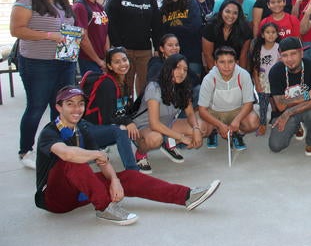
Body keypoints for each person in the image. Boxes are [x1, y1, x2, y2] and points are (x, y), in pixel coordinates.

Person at [34, 85, 220, 225]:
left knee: (130, 176)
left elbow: (102, 160)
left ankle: (186, 196)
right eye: (70, 104)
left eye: (80, 104)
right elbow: (67, 154)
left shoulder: (81, 129)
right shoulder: (49, 132)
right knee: (73, 161)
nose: (76, 109)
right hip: (54, 198)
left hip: (80, 193)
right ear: (58, 108)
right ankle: (105, 208)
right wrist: (97, 154)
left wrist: (114, 180)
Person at [10, 0, 78, 169]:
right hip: (37, 64)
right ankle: (26, 151)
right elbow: (16, 30)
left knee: (60, 109)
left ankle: (57, 146)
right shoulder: (27, 0)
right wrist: (48, 36)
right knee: (36, 107)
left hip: (64, 63)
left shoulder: (62, 2)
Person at [134, 54, 203, 174]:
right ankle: (140, 153)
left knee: (202, 128)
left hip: (167, 125)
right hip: (144, 127)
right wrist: (181, 138)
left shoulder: (183, 87)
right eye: (177, 67)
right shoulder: (155, 87)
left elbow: (190, 113)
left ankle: (168, 143)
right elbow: (154, 124)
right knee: (155, 139)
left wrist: (196, 129)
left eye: (185, 69)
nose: (181, 72)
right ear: (168, 68)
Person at [105, 0, 162, 98]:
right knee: (125, 83)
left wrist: (158, 47)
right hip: (124, 50)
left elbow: (156, 25)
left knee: (145, 84)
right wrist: (118, 46)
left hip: (145, 50)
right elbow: (110, 22)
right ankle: (125, 111)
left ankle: (140, 111)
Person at [80, 47, 140, 171]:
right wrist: (127, 122)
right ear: (110, 66)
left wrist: (129, 121)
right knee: (122, 130)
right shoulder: (108, 84)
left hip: (99, 126)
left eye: (124, 60)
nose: (122, 64)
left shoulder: (125, 81)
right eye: (117, 62)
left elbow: (125, 111)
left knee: (131, 126)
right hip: (87, 130)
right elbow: (107, 118)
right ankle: (133, 172)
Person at [268, 37, 311, 156]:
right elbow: (281, 106)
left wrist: (289, 112)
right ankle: (297, 126)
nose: (289, 59)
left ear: (302, 52)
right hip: (287, 111)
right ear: (280, 56)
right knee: (276, 146)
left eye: (293, 54)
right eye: (285, 55)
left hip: (307, 110)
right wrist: (307, 95)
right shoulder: (275, 72)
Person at [197, 46, 260, 150]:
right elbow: (202, 110)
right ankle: (214, 130)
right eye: (222, 62)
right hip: (214, 112)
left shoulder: (244, 75)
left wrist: (237, 120)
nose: (227, 66)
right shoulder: (209, 79)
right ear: (215, 63)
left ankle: (237, 133)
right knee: (200, 128)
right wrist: (220, 125)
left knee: (253, 122)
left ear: (236, 62)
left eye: (230, 62)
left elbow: (249, 103)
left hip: (236, 111)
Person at [161, 0, 202, 77]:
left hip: (191, 54)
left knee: (194, 86)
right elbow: (160, 32)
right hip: (170, 55)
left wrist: (171, 30)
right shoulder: (163, 8)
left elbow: (195, 27)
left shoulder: (192, 4)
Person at [73, 0, 110, 75]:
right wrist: (98, 61)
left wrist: (107, 58)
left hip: (102, 60)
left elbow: (105, 34)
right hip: (88, 60)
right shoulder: (80, 7)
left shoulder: (99, 7)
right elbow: (83, 38)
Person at [202, 0, 253, 71]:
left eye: (235, 13)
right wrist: (216, 76)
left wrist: (241, 76)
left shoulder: (245, 29)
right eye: (227, 11)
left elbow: (243, 56)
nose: (231, 16)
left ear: (239, 15)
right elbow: (208, 55)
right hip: (214, 66)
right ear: (221, 11)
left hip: (235, 67)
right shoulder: (211, 27)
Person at [249, 23, 280, 135]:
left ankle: (280, 119)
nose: (270, 35)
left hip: (276, 80)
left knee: (279, 102)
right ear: (262, 35)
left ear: (277, 34)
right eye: (267, 32)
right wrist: (257, 83)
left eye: (273, 32)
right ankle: (262, 124)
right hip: (263, 80)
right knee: (263, 103)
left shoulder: (279, 48)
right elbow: (255, 68)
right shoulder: (259, 49)